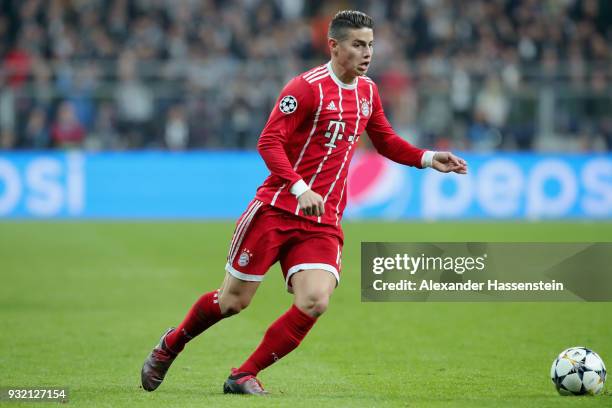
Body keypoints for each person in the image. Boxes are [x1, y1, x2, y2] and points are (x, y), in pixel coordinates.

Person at [141, 10, 467, 396]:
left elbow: (386, 141)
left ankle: (243, 374)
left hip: (323, 220)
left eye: (371, 46)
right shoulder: (305, 88)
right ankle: (170, 346)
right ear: (334, 45)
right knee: (232, 302)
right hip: (276, 211)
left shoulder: (367, 92)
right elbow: (268, 142)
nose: (367, 54)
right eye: (358, 45)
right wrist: (299, 187)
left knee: (315, 300)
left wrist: (430, 159)